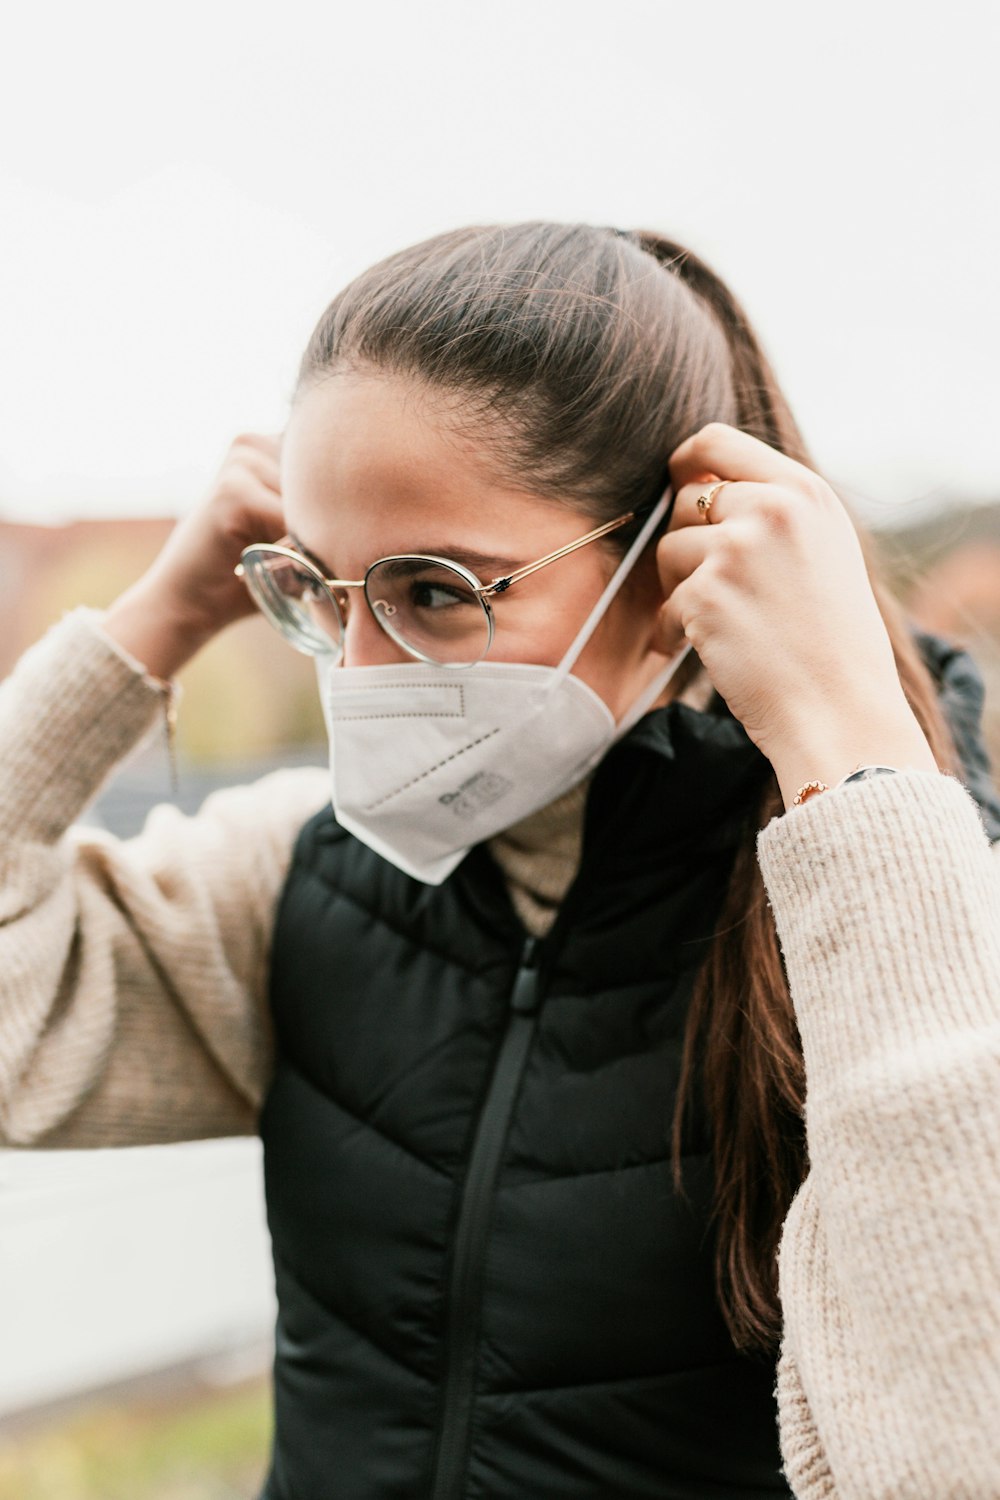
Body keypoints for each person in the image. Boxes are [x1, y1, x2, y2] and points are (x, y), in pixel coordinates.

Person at [1, 222, 998, 1500]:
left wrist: (847, 741)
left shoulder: (907, 919)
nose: (359, 675)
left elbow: (958, 1449)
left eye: (433, 593)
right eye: (319, 590)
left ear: (669, 564)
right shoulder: (305, 880)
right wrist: (157, 615)